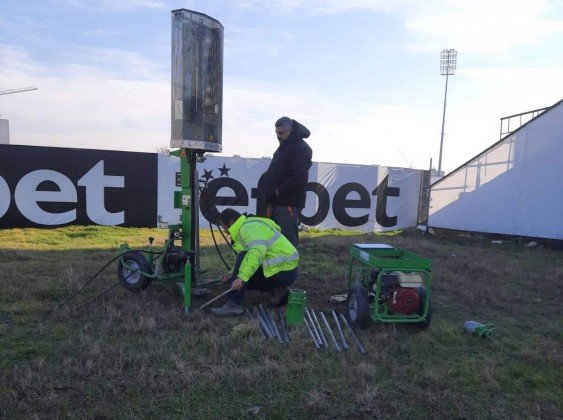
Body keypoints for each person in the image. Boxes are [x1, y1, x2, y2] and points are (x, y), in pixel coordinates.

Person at [210, 208, 299, 316]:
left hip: (283, 272)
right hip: (284, 270)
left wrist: (241, 278)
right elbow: (246, 261)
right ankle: (279, 290)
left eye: (223, 226)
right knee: (240, 273)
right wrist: (231, 275)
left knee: (244, 263)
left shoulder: (248, 228)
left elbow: (256, 252)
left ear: (231, 222)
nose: (224, 231)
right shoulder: (248, 225)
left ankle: (234, 304)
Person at [257, 117, 312, 248]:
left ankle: (290, 269)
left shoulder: (301, 148)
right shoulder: (285, 146)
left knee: (287, 245)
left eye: (281, 133)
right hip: (277, 203)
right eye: (276, 133)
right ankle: (279, 269)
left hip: (288, 204)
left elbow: (300, 177)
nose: (278, 136)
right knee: (275, 245)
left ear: (291, 130)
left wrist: (278, 190)